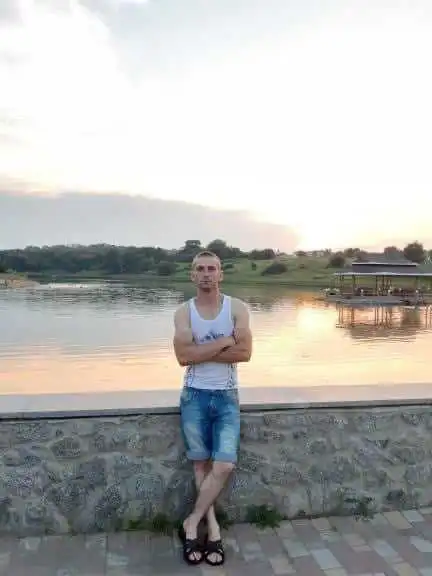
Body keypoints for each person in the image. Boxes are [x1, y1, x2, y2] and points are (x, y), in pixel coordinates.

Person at [173, 250, 252, 566]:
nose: (206, 273)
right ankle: (213, 529)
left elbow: (244, 353)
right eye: (200, 269)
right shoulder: (184, 312)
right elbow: (183, 357)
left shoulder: (237, 308)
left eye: (211, 268)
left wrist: (199, 350)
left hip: (226, 396)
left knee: (224, 465)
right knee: (200, 466)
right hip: (194, 396)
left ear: (221, 274)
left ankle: (191, 520)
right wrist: (224, 342)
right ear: (192, 275)